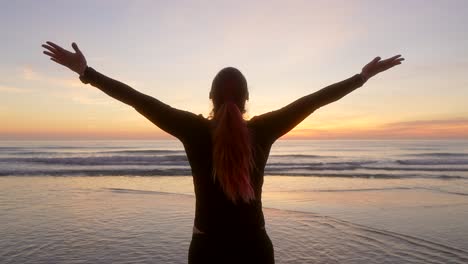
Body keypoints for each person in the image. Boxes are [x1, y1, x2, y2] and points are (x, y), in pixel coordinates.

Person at [41, 41, 404, 264]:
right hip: (255, 249)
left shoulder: (192, 129)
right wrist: (361, 77)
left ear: (211, 98)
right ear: (247, 100)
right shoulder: (263, 128)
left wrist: (87, 72)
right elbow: (313, 102)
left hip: (206, 251)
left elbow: (138, 100)